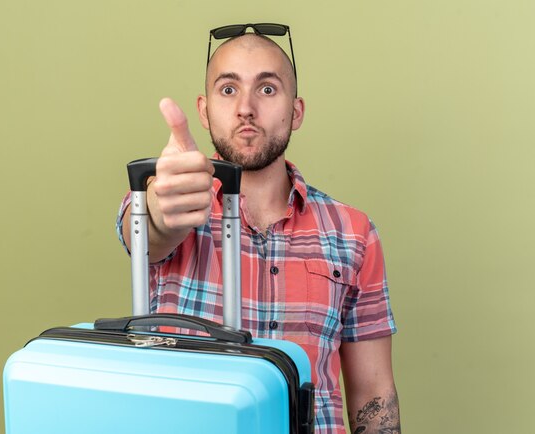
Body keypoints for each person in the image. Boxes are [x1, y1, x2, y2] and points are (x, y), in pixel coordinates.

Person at [116, 23, 400, 434]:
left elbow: (374, 392)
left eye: (267, 89)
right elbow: (146, 234)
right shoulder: (166, 197)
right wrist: (163, 209)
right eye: (228, 90)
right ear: (204, 109)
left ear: (296, 111)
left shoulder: (353, 232)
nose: (246, 107)